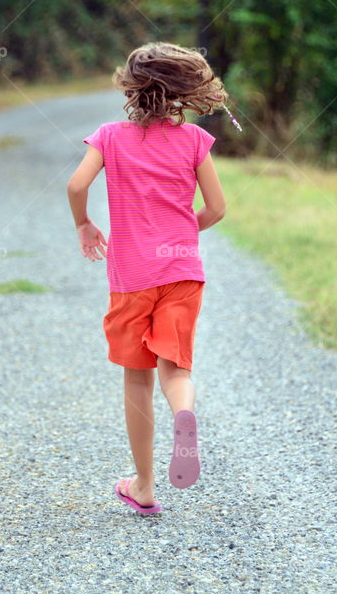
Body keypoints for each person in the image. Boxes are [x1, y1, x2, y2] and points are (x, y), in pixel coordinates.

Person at [66, 42, 229, 515]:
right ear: (182, 90)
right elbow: (217, 209)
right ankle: (185, 411)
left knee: (137, 380)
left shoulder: (110, 136)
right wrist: (181, 233)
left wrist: (83, 223)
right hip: (182, 271)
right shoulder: (194, 139)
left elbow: (77, 185)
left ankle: (144, 485)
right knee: (175, 370)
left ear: (133, 88)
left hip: (133, 275)